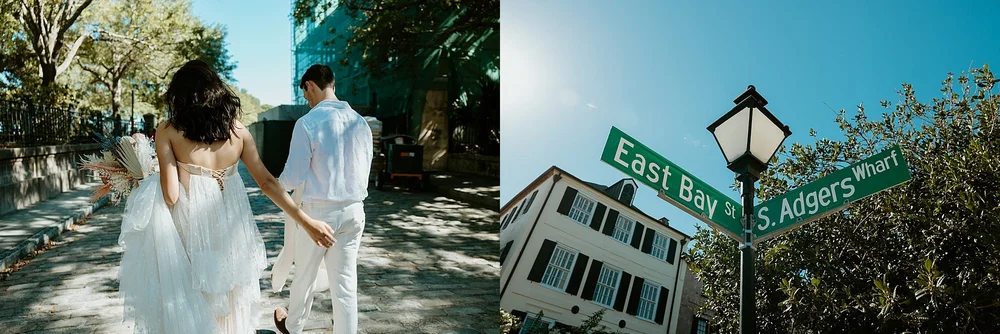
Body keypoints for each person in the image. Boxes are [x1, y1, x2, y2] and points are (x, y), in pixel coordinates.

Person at [117, 59, 336, 333]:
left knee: (196, 296)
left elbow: (171, 196)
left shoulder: (167, 130)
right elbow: (268, 183)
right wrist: (307, 222)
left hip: (190, 226)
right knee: (231, 298)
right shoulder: (239, 131)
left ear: (180, 96)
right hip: (233, 227)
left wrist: (142, 183)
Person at [271, 64, 373, 334]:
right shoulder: (361, 123)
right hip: (354, 211)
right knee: (345, 283)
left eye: (306, 94)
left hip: (318, 213)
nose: (307, 100)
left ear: (310, 86)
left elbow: (292, 178)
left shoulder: (308, 123)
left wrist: (276, 186)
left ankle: (292, 327)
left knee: (304, 275)